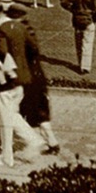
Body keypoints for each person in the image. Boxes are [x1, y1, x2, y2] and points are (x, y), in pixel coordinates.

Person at [0, 1, 48, 168]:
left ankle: (8, 156)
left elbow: (2, 52)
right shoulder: (20, 27)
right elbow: (34, 47)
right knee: (12, 115)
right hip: (22, 79)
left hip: (6, 81)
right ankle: (33, 140)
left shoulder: (0, 30)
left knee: (6, 119)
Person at [16, 10, 62, 154]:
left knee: (19, 112)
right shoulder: (28, 32)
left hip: (28, 81)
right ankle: (53, 143)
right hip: (37, 78)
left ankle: (38, 142)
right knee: (39, 113)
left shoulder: (20, 34)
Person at [59, 0, 96, 75]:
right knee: (87, 43)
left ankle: (80, 64)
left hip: (77, 21)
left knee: (78, 43)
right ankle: (85, 67)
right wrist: (94, 19)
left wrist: (72, 10)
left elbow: (64, 2)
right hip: (88, 21)